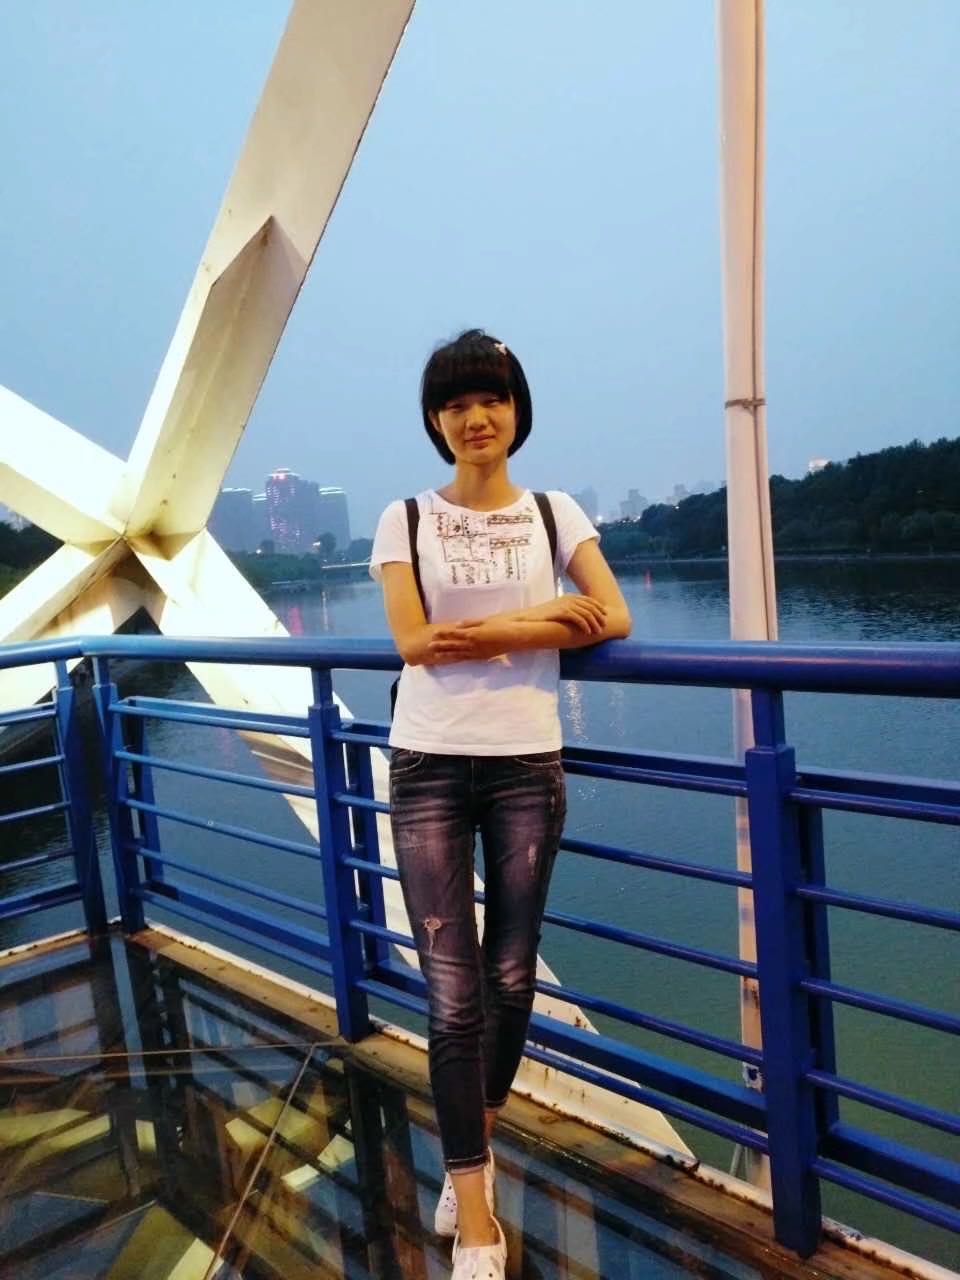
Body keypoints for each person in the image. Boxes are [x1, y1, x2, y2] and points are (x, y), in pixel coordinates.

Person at [371, 329, 631, 1279]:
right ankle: (475, 1213)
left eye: (492, 398)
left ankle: (467, 1148)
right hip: (431, 763)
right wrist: (545, 619)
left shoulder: (555, 514)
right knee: (452, 993)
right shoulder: (404, 518)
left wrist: (487, 630)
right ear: (435, 421)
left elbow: (616, 614)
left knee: (512, 979)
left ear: (517, 409)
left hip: (526, 763)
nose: (476, 417)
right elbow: (415, 643)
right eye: (456, 403)